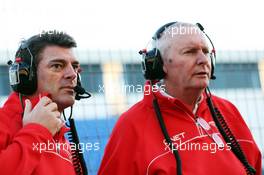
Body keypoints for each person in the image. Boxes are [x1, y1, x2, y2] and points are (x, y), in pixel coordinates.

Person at [98, 22, 262, 175]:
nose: (203, 60)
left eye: (205, 52)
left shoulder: (228, 111)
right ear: (158, 64)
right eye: (189, 52)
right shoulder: (131, 125)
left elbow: (254, 164)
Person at [0, 31, 86, 175]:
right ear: (26, 76)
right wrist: (36, 132)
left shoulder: (58, 133)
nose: (72, 74)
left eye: (75, 67)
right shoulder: (4, 123)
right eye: (57, 66)